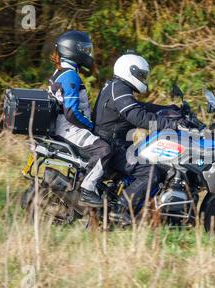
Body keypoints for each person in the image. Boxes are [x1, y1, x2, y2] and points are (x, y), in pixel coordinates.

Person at [92, 53, 191, 224]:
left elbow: (142, 107)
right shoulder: (119, 87)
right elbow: (138, 116)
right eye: (141, 75)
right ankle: (121, 210)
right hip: (112, 145)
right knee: (151, 172)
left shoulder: (118, 87)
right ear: (130, 71)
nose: (143, 79)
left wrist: (170, 110)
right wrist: (171, 125)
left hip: (116, 143)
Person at [49, 30, 112, 208]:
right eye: (84, 50)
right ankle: (87, 189)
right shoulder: (70, 76)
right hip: (70, 130)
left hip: (63, 128)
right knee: (104, 150)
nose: (87, 53)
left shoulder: (60, 72)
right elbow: (71, 113)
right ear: (72, 51)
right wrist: (91, 126)